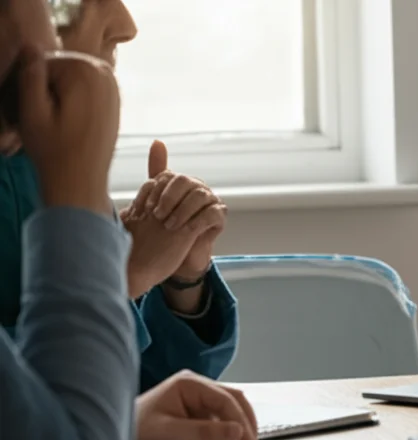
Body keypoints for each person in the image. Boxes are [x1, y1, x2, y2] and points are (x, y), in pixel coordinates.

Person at [0, 0, 258, 440]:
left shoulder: (35, 156)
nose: (126, 24)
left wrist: (179, 282)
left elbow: (88, 388)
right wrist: (127, 275)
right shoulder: (48, 165)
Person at [0, 0, 239, 394]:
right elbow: (34, 416)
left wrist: (181, 281)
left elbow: (138, 390)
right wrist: (119, 280)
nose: (127, 26)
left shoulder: (52, 156)